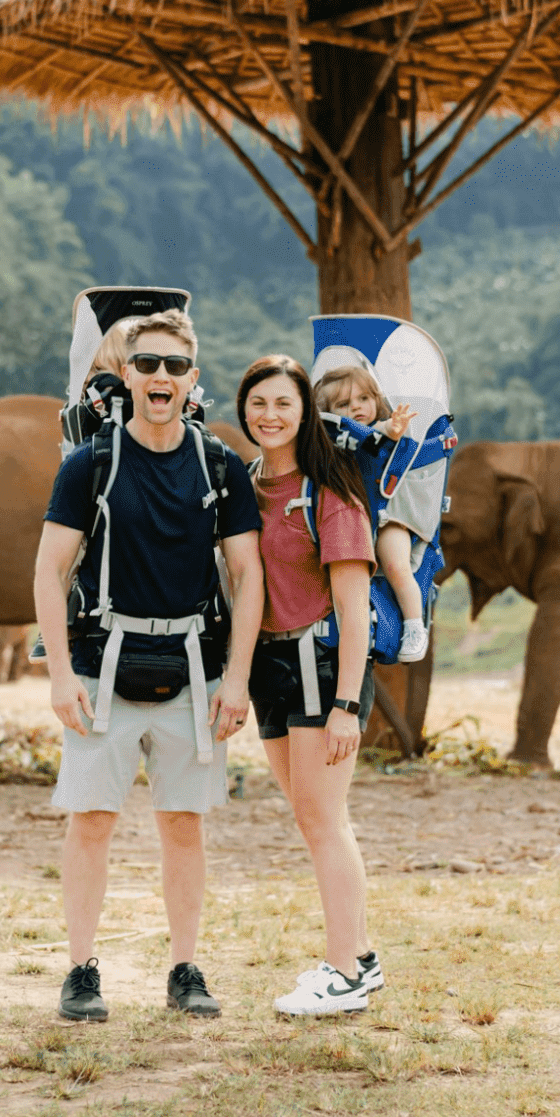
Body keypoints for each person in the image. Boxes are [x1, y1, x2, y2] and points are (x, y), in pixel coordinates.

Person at [32, 309, 263, 1023]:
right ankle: (80, 969)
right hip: (102, 664)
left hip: (195, 668)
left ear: (193, 379)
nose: (160, 376)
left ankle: (184, 966)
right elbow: (48, 570)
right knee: (91, 821)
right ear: (125, 375)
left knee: (183, 823)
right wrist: (60, 673)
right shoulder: (89, 466)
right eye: (147, 364)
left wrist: (239, 681)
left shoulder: (219, 465)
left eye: (173, 365)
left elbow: (248, 576)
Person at [238, 355, 383, 1015]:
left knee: (324, 818)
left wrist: (348, 706)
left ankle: (344, 971)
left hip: (320, 669)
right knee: (311, 817)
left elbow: (355, 607)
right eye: (258, 403)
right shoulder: (244, 485)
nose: (269, 415)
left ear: (305, 415)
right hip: (269, 668)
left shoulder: (331, 489)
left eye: (282, 405)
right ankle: (358, 955)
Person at [314, 364, 430, 663]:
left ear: (375, 399)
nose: (356, 407)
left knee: (396, 565)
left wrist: (392, 428)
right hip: (351, 518)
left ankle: (415, 624)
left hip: (389, 515)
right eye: (344, 404)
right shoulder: (333, 441)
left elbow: (377, 434)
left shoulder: (380, 429)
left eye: (363, 398)